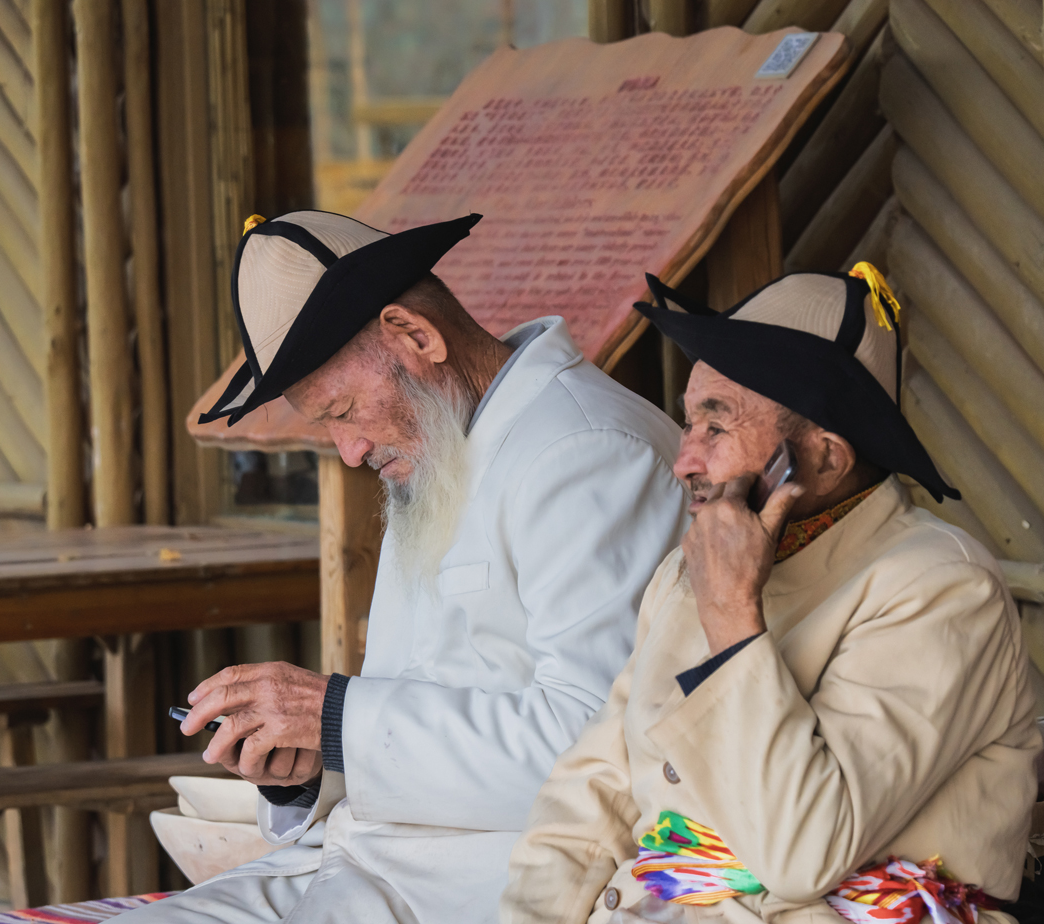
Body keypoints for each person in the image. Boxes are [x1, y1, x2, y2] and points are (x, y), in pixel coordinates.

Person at [119, 210, 690, 924]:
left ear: (416, 336)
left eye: (344, 411)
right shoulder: (438, 448)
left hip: (494, 886)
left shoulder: (588, 450)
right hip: (360, 864)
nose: (350, 452)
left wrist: (335, 719)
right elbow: (409, 704)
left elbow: (596, 751)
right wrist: (310, 765)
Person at [501, 266, 1041, 924]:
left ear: (825, 459)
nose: (685, 461)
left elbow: (801, 852)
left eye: (716, 428)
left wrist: (731, 615)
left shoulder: (943, 588)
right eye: (688, 424)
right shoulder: (691, 571)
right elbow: (590, 800)